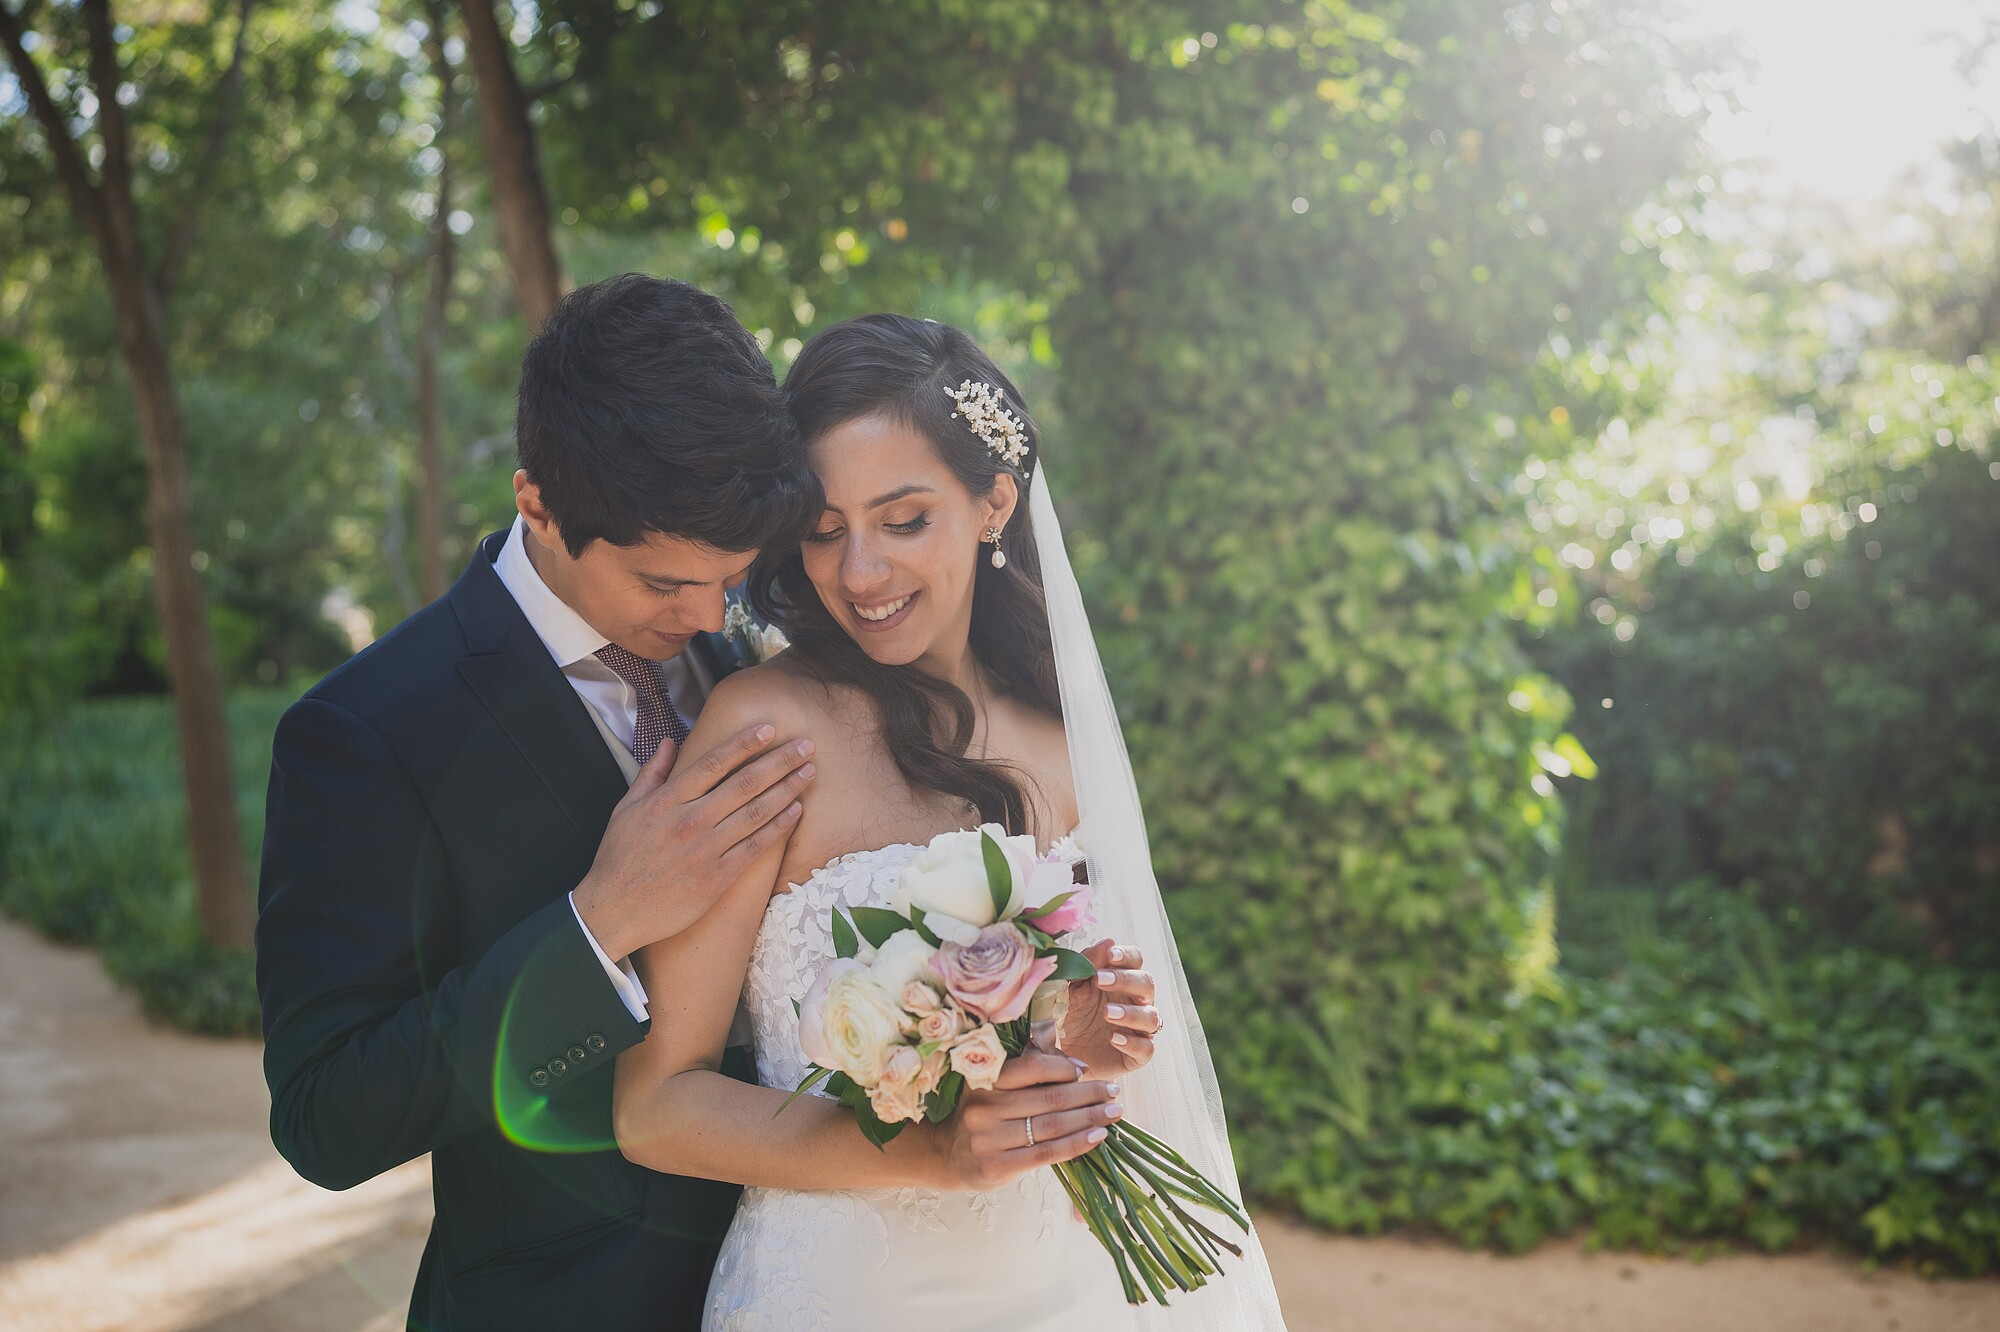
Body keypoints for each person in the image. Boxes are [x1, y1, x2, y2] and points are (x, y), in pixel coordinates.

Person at [254, 276, 1116, 1332]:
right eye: (666, 585)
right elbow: (327, 1120)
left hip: (826, 1267)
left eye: (734, 576)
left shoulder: (759, 671)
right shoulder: (371, 731)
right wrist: (597, 924)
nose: (712, 617)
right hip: (570, 1306)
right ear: (538, 506)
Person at [612, 314, 1288, 1329]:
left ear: (993, 504)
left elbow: (1079, 1079)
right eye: (826, 530)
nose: (860, 573)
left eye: (904, 520)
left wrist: (1086, 1052)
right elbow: (654, 1107)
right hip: (844, 1294)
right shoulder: (766, 730)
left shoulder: (1063, 740)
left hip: (1071, 1292)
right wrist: (932, 1152)